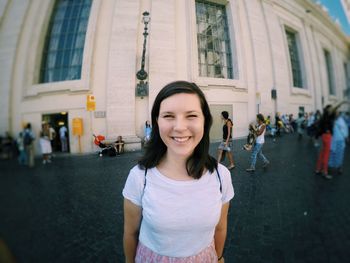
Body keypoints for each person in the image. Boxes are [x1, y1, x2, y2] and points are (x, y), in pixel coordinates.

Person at [122, 81, 234, 262]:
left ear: (205, 121)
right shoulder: (139, 176)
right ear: (156, 122)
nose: (180, 127)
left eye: (191, 115)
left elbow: (220, 228)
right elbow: (130, 232)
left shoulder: (221, 175)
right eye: (168, 116)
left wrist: (219, 257)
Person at [315, 101, 348, 179]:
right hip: (327, 136)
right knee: (326, 154)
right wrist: (342, 103)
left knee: (322, 153)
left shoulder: (324, 116)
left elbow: (319, 126)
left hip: (324, 136)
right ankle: (324, 172)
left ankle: (318, 169)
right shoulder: (329, 116)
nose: (333, 110)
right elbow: (335, 108)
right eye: (331, 109)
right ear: (329, 110)